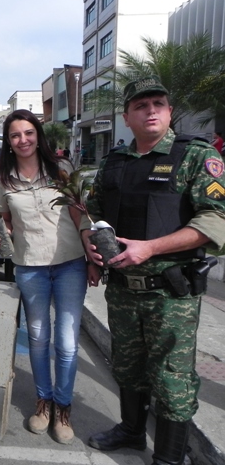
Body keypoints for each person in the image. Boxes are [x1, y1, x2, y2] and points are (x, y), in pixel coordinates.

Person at [82, 76, 225, 465]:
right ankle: (130, 431)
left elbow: (216, 221)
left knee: (172, 377)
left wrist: (151, 248)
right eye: (141, 106)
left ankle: (168, 457)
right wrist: (89, 246)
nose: (151, 111)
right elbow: (91, 211)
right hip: (123, 289)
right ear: (126, 116)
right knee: (127, 364)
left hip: (170, 292)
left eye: (158, 104)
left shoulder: (195, 156)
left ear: (169, 111)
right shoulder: (115, 163)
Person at [0, 109, 100, 444]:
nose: (22, 140)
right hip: (29, 267)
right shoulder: (2, 181)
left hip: (70, 264)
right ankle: (43, 404)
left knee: (66, 342)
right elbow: (5, 219)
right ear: (8, 142)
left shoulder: (61, 170)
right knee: (38, 338)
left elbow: (81, 216)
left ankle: (62, 409)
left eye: (28, 133)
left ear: (38, 134)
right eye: (15, 135)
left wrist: (93, 258)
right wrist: (2, 234)